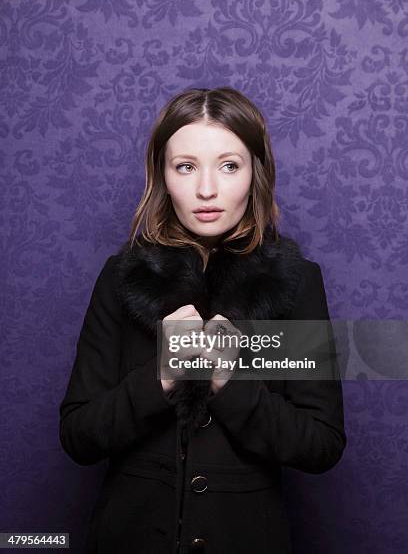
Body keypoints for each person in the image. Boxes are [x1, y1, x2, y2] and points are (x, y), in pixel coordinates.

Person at [59, 86, 347, 554]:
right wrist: (163, 376)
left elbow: (321, 444)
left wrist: (226, 380)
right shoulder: (120, 277)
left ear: (256, 173)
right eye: (186, 166)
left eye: (229, 166)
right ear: (162, 175)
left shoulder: (295, 283)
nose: (207, 190)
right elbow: (77, 437)